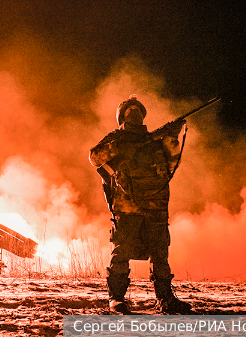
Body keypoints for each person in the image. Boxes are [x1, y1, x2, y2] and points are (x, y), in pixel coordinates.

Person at [89, 94, 192, 314]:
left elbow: (172, 162)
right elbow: (95, 157)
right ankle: (116, 299)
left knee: (160, 252)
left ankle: (165, 298)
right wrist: (121, 148)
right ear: (122, 116)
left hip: (155, 205)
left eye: (137, 109)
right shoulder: (116, 137)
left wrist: (171, 138)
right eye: (129, 109)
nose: (134, 112)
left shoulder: (155, 139)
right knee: (122, 250)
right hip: (127, 205)